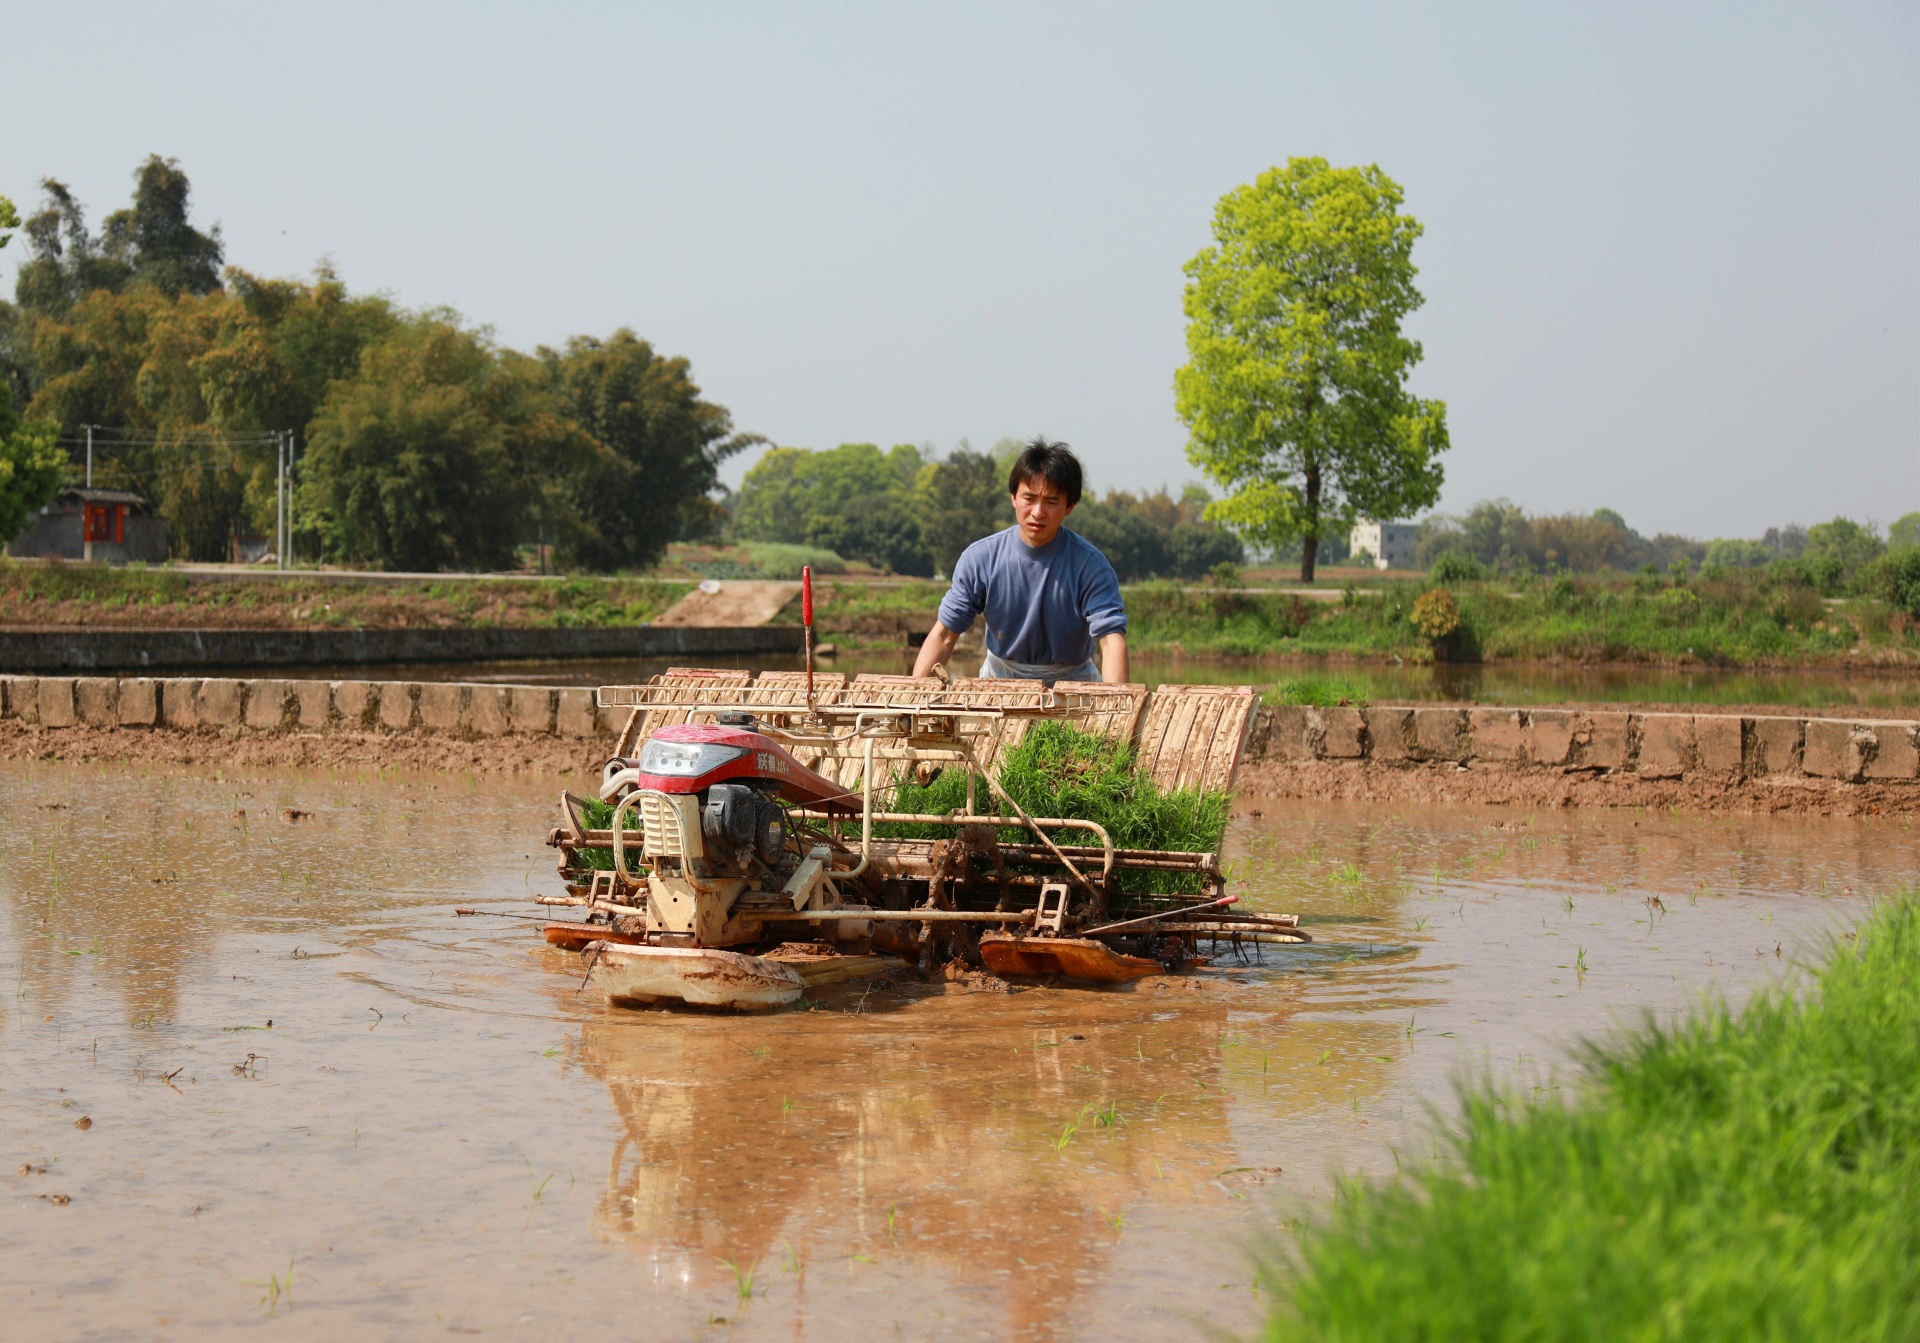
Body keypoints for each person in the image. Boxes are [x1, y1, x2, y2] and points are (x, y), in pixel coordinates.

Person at [911, 438, 1129, 684]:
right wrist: (912, 697)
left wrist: (1117, 708)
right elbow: (944, 635)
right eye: (1030, 498)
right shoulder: (981, 558)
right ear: (1014, 497)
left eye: (1051, 502)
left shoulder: (1090, 565)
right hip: (1000, 676)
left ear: (1069, 506)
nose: (1038, 512)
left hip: (1073, 679)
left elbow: (1111, 641)